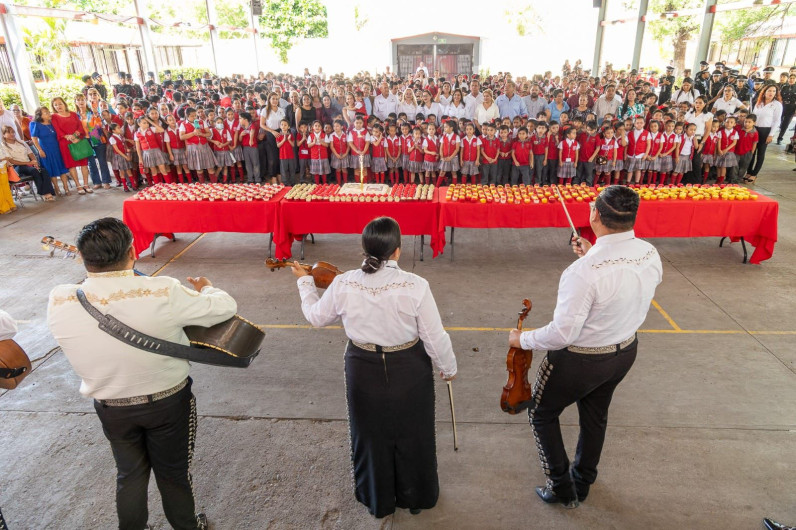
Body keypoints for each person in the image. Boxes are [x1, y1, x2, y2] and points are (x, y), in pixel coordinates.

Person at [48, 217, 238, 530]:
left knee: (129, 475)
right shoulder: (162, 291)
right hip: (167, 403)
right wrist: (208, 288)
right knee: (173, 474)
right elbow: (224, 306)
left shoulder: (59, 298)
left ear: (83, 258)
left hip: (111, 407)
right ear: (132, 252)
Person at [292, 216, 457, 519]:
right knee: (413, 432)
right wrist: (448, 368)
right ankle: (415, 495)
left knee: (369, 433)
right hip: (410, 367)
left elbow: (316, 316)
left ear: (363, 248)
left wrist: (305, 282)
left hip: (362, 366)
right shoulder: (416, 286)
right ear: (397, 250)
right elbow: (434, 337)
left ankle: (377, 498)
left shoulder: (344, 282)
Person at [508, 185, 662, 509]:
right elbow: (622, 284)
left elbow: (563, 334)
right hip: (624, 352)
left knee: (540, 412)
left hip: (581, 361)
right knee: (595, 415)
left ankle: (561, 486)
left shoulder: (582, 272)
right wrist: (592, 252)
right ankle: (583, 479)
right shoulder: (649, 252)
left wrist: (521, 339)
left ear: (594, 215)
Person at [0, 125, 55, 201]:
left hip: (29, 164)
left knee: (44, 171)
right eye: (9, 133)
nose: (12, 134)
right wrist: (29, 162)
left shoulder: (21, 142)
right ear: (3, 135)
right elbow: (11, 161)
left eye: (13, 132)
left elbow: (31, 154)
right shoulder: (3, 146)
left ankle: (48, 192)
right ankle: (44, 193)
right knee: (34, 171)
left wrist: (34, 162)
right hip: (16, 167)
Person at [51, 97, 92, 195]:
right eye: (55, 105)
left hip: (78, 140)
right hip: (66, 143)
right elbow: (57, 130)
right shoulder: (54, 117)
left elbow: (80, 126)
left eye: (60, 103)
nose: (58, 106)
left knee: (84, 164)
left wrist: (76, 136)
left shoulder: (73, 114)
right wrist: (68, 137)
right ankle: (78, 185)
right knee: (71, 165)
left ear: (64, 104)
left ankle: (86, 184)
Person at [30, 106, 73, 196]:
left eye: (48, 112)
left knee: (62, 169)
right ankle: (57, 189)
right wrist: (40, 150)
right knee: (51, 170)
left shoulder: (53, 122)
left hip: (57, 149)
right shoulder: (35, 124)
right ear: (40, 115)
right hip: (46, 150)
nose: (49, 113)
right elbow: (34, 138)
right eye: (45, 113)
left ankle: (66, 188)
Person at [746, 83, 782, 183]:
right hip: (755, 129)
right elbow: (753, 116)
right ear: (764, 92)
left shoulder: (777, 105)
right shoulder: (759, 102)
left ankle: (754, 174)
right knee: (752, 152)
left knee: (760, 153)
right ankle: (748, 172)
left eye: (774, 91)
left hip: (766, 130)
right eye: (769, 90)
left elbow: (777, 121)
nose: (771, 93)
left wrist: (771, 134)